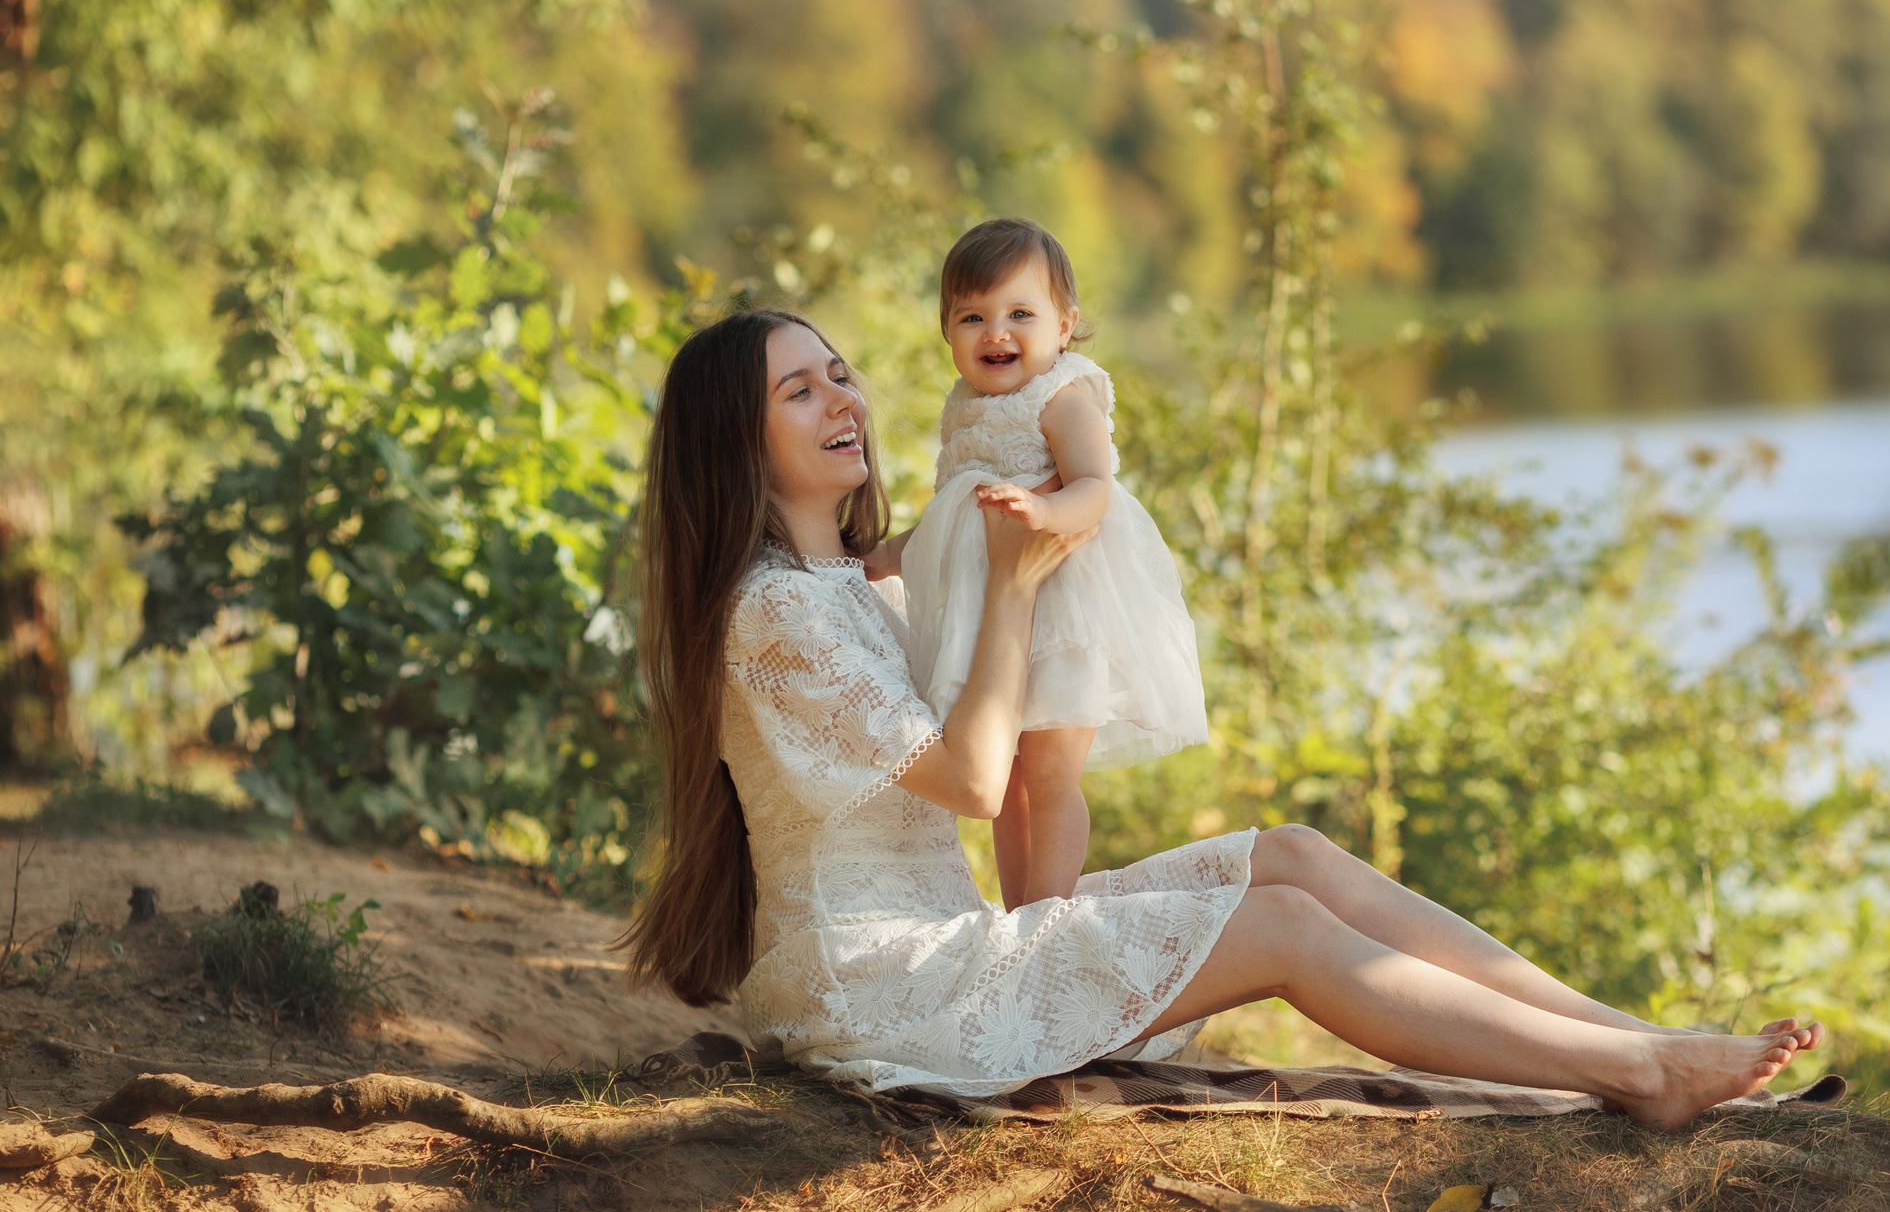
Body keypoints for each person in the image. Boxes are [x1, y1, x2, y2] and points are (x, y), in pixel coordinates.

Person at [619, 308, 1823, 1129]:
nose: (844, 399)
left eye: (840, 372)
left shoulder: (851, 583)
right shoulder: (771, 615)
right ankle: (1640, 1073)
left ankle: (1644, 1034)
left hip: (950, 943)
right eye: (799, 388)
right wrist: (1015, 592)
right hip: (887, 986)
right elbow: (977, 781)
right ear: (741, 439)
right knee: (1284, 928)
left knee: (1285, 857)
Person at [863, 218, 1205, 910]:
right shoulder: (964, 411)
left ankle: (1050, 914)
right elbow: (952, 518)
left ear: (1065, 324)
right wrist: (889, 556)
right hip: (996, 623)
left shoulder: (1064, 398)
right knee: (1006, 773)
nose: (997, 331)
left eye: (1021, 313)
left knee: (1049, 771)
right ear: (947, 332)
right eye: (973, 316)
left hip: (1063, 605)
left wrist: (1046, 513)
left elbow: (1094, 487)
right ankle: (1022, 911)